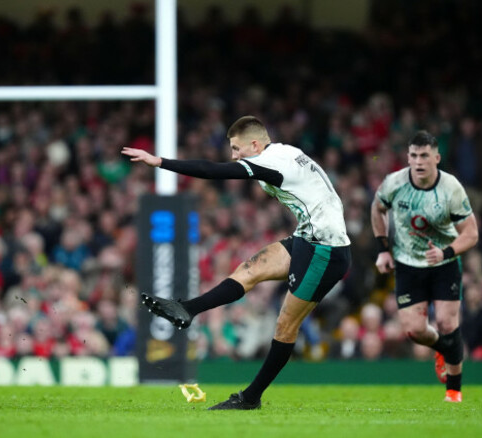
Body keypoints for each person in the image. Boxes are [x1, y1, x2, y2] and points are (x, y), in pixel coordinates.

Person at [122, 116, 351, 410]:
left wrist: (160, 162)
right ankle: (188, 309)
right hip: (308, 238)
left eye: (236, 148)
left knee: (285, 325)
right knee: (249, 269)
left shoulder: (272, 161)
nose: (233, 156)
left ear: (254, 144)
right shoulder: (285, 152)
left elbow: (211, 170)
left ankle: (250, 397)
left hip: (327, 250)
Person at [371, 130, 479, 403]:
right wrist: (384, 250)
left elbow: (471, 233)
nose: (418, 161)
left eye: (425, 156)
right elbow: (377, 208)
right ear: (408, 157)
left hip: (444, 263)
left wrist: (446, 252)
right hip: (408, 264)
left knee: (446, 322)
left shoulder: (450, 188)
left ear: (436, 158)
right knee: (415, 331)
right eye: (414, 155)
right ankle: (446, 349)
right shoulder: (394, 183)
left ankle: (454, 391)